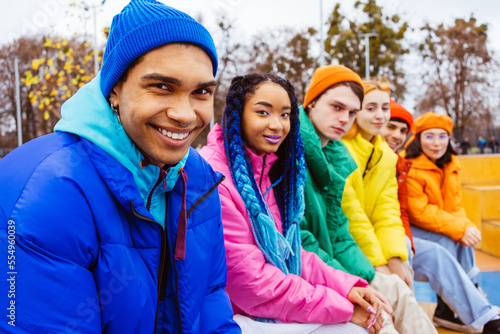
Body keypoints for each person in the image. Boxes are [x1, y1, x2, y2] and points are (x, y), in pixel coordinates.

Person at [0, 1, 240, 332]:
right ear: (115, 89)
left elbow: (210, 301)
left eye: (200, 91)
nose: (186, 114)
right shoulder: (46, 190)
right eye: (162, 87)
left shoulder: (197, 179)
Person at [200, 73, 384, 333]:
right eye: (263, 112)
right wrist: (343, 308)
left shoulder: (266, 173)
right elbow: (252, 285)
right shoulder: (216, 177)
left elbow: (293, 252)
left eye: (285, 114)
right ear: (236, 114)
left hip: (258, 307)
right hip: (230, 316)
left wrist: (349, 287)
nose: (277, 125)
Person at [298, 66, 437, 334]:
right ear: (312, 102)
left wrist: (370, 272)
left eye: (351, 112)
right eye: (336, 107)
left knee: (397, 288)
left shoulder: (337, 155)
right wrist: (357, 279)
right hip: (313, 274)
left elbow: (341, 230)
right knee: (381, 318)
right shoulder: (295, 153)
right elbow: (302, 238)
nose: (344, 118)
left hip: (335, 263)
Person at [384, 104, 500, 333]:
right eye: (429, 136)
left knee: (457, 237)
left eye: (442, 136)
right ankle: (479, 313)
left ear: (449, 139)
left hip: (420, 228)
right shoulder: (411, 166)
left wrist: (463, 227)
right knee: (449, 240)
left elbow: (454, 207)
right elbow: (420, 211)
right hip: (411, 230)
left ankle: (452, 307)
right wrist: (459, 227)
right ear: (418, 139)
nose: (436, 143)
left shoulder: (451, 166)